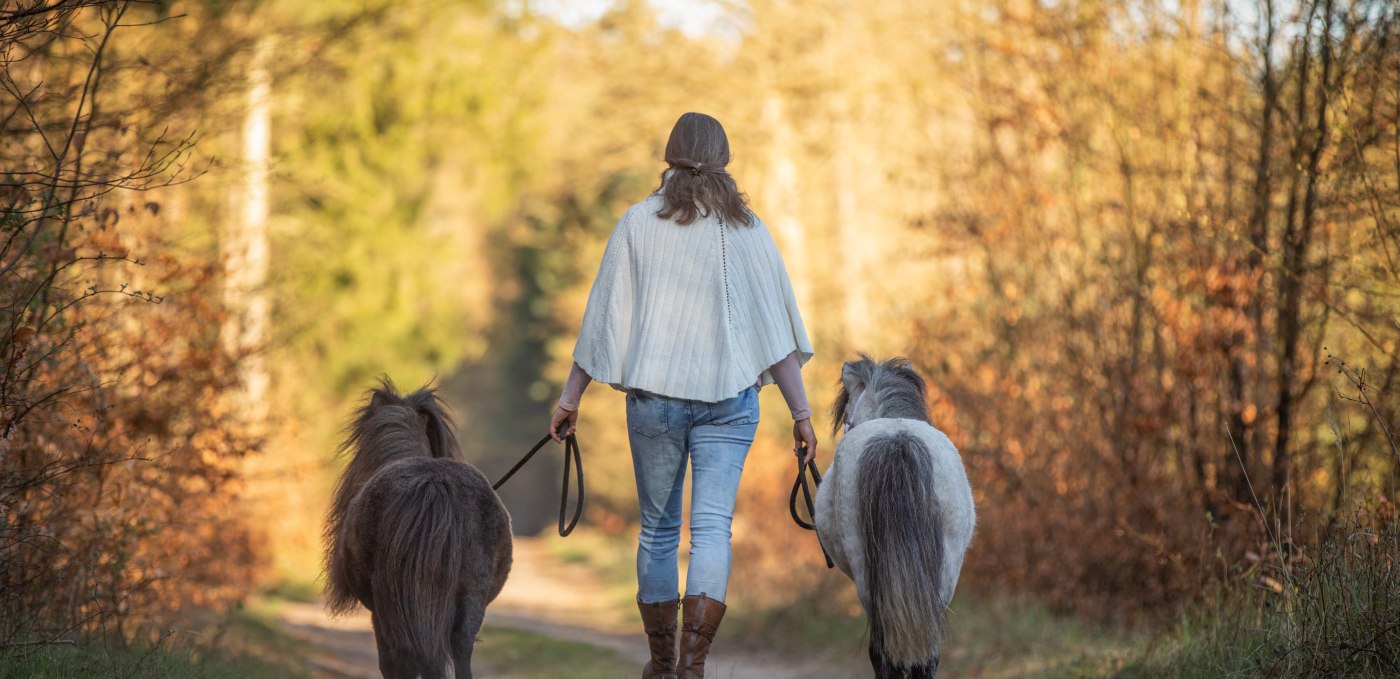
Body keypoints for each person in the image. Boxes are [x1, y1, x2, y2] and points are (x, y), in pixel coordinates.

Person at [548, 112, 817, 679]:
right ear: (725, 162)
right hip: (729, 402)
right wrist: (802, 414)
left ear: (668, 158)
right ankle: (693, 669)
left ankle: (663, 667)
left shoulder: (636, 224)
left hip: (654, 402)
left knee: (659, 530)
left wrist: (571, 397)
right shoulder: (748, 230)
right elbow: (776, 333)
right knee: (713, 528)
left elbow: (602, 321)